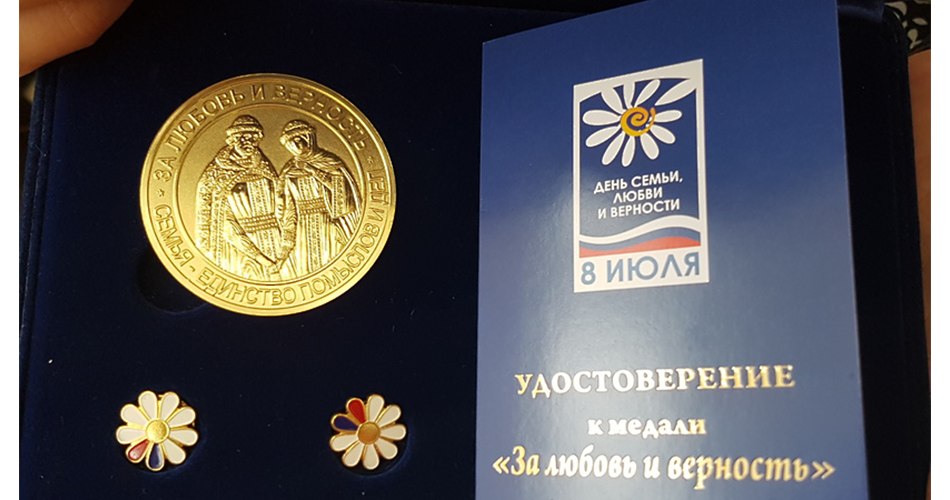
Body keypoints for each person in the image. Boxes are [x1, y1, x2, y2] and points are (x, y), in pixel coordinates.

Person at [195, 115, 295, 281]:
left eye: (253, 137)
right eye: (243, 137)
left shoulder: (264, 167)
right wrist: (261, 259)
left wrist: (284, 249)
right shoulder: (215, 175)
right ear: (233, 140)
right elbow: (225, 224)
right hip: (242, 250)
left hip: (276, 244)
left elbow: (282, 206)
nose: (248, 141)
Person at [279, 119, 362, 275]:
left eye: (299, 139)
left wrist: (314, 171)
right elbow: (288, 203)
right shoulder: (289, 169)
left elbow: (342, 191)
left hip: (327, 220)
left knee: (330, 259)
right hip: (302, 226)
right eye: (291, 142)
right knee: (304, 268)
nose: (296, 144)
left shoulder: (329, 162)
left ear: (309, 138)